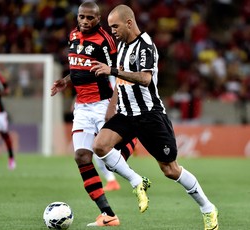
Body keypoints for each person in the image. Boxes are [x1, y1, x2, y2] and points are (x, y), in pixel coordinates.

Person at [90, 4, 219, 230]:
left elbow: (145, 78)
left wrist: (112, 71)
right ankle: (137, 181)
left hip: (150, 116)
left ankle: (208, 208)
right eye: (110, 27)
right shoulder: (121, 45)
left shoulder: (146, 46)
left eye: (115, 26)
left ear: (129, 23)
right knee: (100, 146)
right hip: (127, 114)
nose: (113, 31)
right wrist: (112, 105)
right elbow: (121, 81)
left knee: (170, 170)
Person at [51, 1, 150, 227]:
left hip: (102, 103)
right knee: (82, 157)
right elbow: (79, 66)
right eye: (81, 17)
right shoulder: (73, 35)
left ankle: (133, 138)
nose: (85, 21)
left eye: (90, 18)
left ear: (98, 19)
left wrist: (112, 105)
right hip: (82, 107)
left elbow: (117, 73)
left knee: (109, 156)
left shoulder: (106, 41)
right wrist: (65, 81)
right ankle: (108, 214)